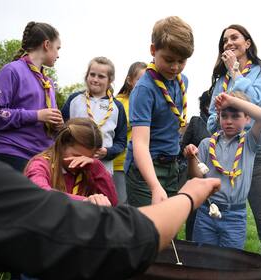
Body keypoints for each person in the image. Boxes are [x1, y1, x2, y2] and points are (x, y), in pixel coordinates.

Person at [0, 154, 220, 279]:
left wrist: (94, 167)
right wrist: (188, 197)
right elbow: (111, 238)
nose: (77, 163)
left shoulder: (89, 169)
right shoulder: (40, 166)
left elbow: (112, 200)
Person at [206, 24, 261, 279]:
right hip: (222, 153)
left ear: (247, 43)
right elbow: (209, 122)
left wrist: (236, 72)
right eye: (224, 40)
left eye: (234, 37)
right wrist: (220, 116)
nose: (228, 42)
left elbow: (258, 104)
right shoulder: (220, 81)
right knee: (208, 214)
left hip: (253, 152)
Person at [125, 16, 194, 207]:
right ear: (153, 50)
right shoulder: (144, 89)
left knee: (167, 227)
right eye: (169, 59)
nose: (175, 67)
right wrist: (154, 186)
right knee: (146, 229)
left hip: (171, 165)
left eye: (182, 61)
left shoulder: (182, 81)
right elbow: (139, 144)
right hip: (145, 169)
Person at [185, 91, 261, 250]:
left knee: (230, 263)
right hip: (206, 212)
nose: (229, 121)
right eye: (224, 116)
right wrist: (191, 158)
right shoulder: (206, 144)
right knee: (202, 258)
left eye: (236, 116)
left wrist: (231, 100)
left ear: (247, 118)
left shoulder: (249, 142)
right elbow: (196, 176)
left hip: (234, 217)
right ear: (218, 117)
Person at [0, 21, 63, 172]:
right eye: (57, 48)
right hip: (14, 154)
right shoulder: (11, 71)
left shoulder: (49, 82)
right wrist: (36, 115)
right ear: (47, 44)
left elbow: (45, 120)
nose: (58, 55)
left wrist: (56, 127)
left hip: (43, 159)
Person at [24, 118, 118, 207]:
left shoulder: (90, 168)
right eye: (76, 156)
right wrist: (84, 201)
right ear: (61, 145)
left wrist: (97, 167)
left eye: (89, 157)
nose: (80, 161)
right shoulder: (41, 164)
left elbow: (112, 204)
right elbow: (40, 192)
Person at [61, 57, 127, 175]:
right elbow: (60, 130)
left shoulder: (117, 107)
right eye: (92, 75)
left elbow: (121, 142)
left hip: (102, 169)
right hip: (71, 167)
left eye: (101, 76)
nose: (95, 79)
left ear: (110, 80)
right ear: (87, 75)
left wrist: (107, 152)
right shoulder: (74, 100)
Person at [113, 61, 147, 204]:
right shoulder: (119, 102)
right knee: (121, 203)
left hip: (139, 163)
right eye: (140, 79)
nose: (145, 84)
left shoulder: (147, 102)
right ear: (129, 80)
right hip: (119, 163)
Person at [180, 90, 212, 241]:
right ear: (206, 105)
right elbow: (182, 146)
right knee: (194, 210)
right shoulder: (196, 121)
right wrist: (189, 151)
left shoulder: (222, 124)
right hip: (195, 173)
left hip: (213, 174)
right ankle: (190, 243)